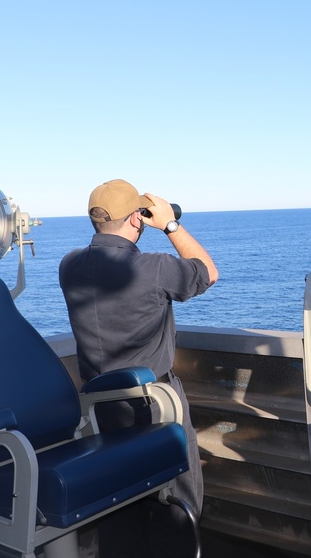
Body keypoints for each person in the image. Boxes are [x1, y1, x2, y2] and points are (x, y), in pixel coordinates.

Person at [58, 179, 218, 557]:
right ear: (137, 219)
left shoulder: (70, 266)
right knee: (176, 505)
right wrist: (171, 226)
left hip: (100, 409)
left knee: (118, 507)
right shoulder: (154, 268)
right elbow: (208, 272)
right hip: (155, 404)